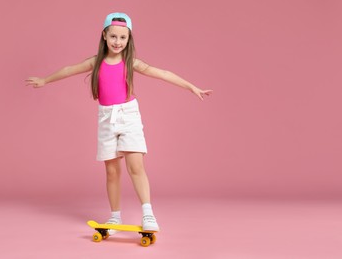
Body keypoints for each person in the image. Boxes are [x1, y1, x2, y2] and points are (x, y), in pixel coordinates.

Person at [26, 12, 212, 233]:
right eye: (113, 36)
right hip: (106, 117)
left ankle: (148, 214)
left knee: (136, 166)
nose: (117, 42)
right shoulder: (96, 62)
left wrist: (191, 87)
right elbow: (69, 69)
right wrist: (45, 80)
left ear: (129, 39)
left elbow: (162, 73)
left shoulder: (130, 62)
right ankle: (114, 217)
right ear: (104, 35)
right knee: (112, 171)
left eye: (123, 38)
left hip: (128, 115)